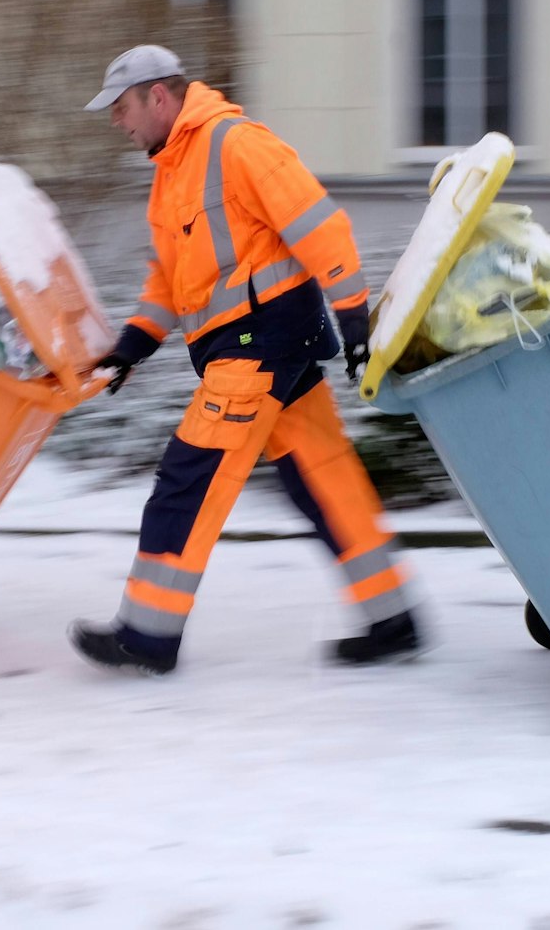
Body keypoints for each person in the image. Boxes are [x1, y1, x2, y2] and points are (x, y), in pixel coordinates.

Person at [69, 44, 423, 675]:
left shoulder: (235, 144)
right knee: (320, 476)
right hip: (258, 347)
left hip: (256, 345)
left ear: (158, 96)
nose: (118, 123)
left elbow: (321, 225)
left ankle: (147, 635)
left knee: (190, 477)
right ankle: (392, 616)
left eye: (122, 108)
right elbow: (170, 279)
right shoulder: (170, 173)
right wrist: (134, 344)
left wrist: (353, 315)